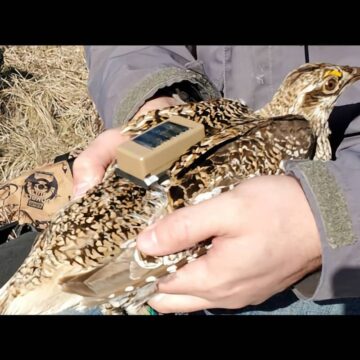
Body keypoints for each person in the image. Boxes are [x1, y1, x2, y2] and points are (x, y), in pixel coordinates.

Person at [2, 46, 360, 315]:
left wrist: (328, 215)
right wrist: (152, 99)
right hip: (122, 238)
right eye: (332, 83)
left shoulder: (280, 133)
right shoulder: (282, 132)